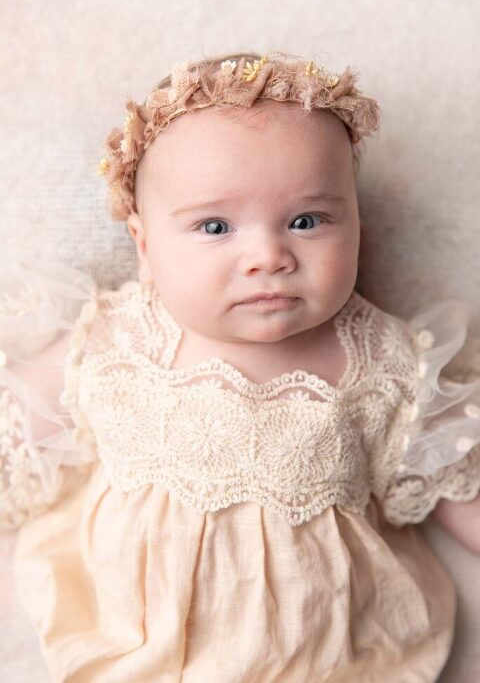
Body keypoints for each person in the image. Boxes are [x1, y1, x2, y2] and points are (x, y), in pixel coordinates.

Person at [1, 51, 479, 683]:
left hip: (326, 649)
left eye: (307, 221)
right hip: (135, 636)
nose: (267, 255)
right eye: (216, 226)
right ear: (145, 248)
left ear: (357, 228)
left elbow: (453, 477)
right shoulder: (117, 338)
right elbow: (17, 426)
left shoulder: (384, 362)